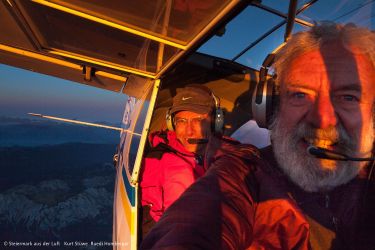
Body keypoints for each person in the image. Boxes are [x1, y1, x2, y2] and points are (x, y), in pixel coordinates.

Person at [140, 23, 375, 249]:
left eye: (348, 97)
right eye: (300, 94)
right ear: (271, 107)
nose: (322, 119)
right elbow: (191, 226)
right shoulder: (244, 171)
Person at [139, 84, 242, 235]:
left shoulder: (233, 154)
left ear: (215, 122)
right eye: (181, 121)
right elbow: (153, 224)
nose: (189, 131)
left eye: (198, 120)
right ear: (172, 124)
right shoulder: (159, 159)